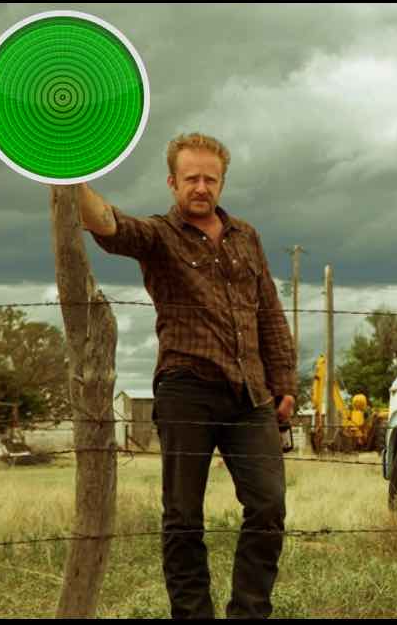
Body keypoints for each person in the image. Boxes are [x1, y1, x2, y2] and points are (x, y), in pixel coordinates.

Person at [73, 133, 295, 618]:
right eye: (191, 178)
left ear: (222, 183)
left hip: (250, 394)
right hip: (186, 389)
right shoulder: (159, 235)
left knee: (269, 506)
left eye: (210, 179)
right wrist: (71, 179)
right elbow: (109, 225)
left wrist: (284, 384)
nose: (201, 187)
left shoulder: (246, 236)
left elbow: (270, 312)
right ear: (172, 182)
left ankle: (249, 613)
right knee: (183, 515)